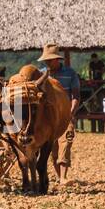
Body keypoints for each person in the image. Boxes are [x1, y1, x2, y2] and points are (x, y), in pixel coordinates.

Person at [37, 44, 80, 181]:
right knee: (51, 146)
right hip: (48, 117)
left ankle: (63, 176)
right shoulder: (40, 75)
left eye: (50, 60)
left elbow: (76, 95)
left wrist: (71, 112)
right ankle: (58, 175)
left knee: (66, 141)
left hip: (66, 114)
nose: (48, 63)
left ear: (57, 60)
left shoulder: (70, 73)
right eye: (46, 61)